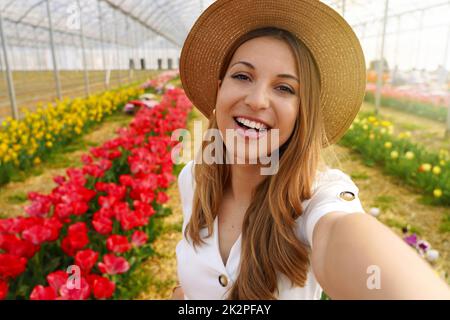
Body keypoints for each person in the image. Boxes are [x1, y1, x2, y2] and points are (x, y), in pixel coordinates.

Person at [172, 0, 450, 300]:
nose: (257, 100)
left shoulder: (316, 201)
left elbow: (341, 236)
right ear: (219, 89)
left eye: (285, 88)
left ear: (301, 113)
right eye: (242, 76)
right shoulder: (193, 179)